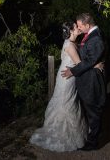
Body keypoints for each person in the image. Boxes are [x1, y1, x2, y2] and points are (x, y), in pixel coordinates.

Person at [29, 21, 103, 152]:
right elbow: (80, 64)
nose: (78, 28)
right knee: (65, 103)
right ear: (71, 31)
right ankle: (62, 134)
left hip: (71, 77)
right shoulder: (69, 45)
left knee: (71, 102)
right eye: (76, 27)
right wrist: (96, 65)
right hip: (66, 79)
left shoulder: (74, 43)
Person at [61, 13, 106, 151]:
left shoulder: (96, 38)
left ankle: (92, 143)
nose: (79, 28)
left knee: (93, 112)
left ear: (87, 25)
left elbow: (89, 60)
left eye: (80, 26)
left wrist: (73, 71)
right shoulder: (90, 35)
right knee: (89, 109)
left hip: (91, 80)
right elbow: (90, 58)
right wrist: (94, 63)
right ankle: (90, 136)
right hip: (86, 77)